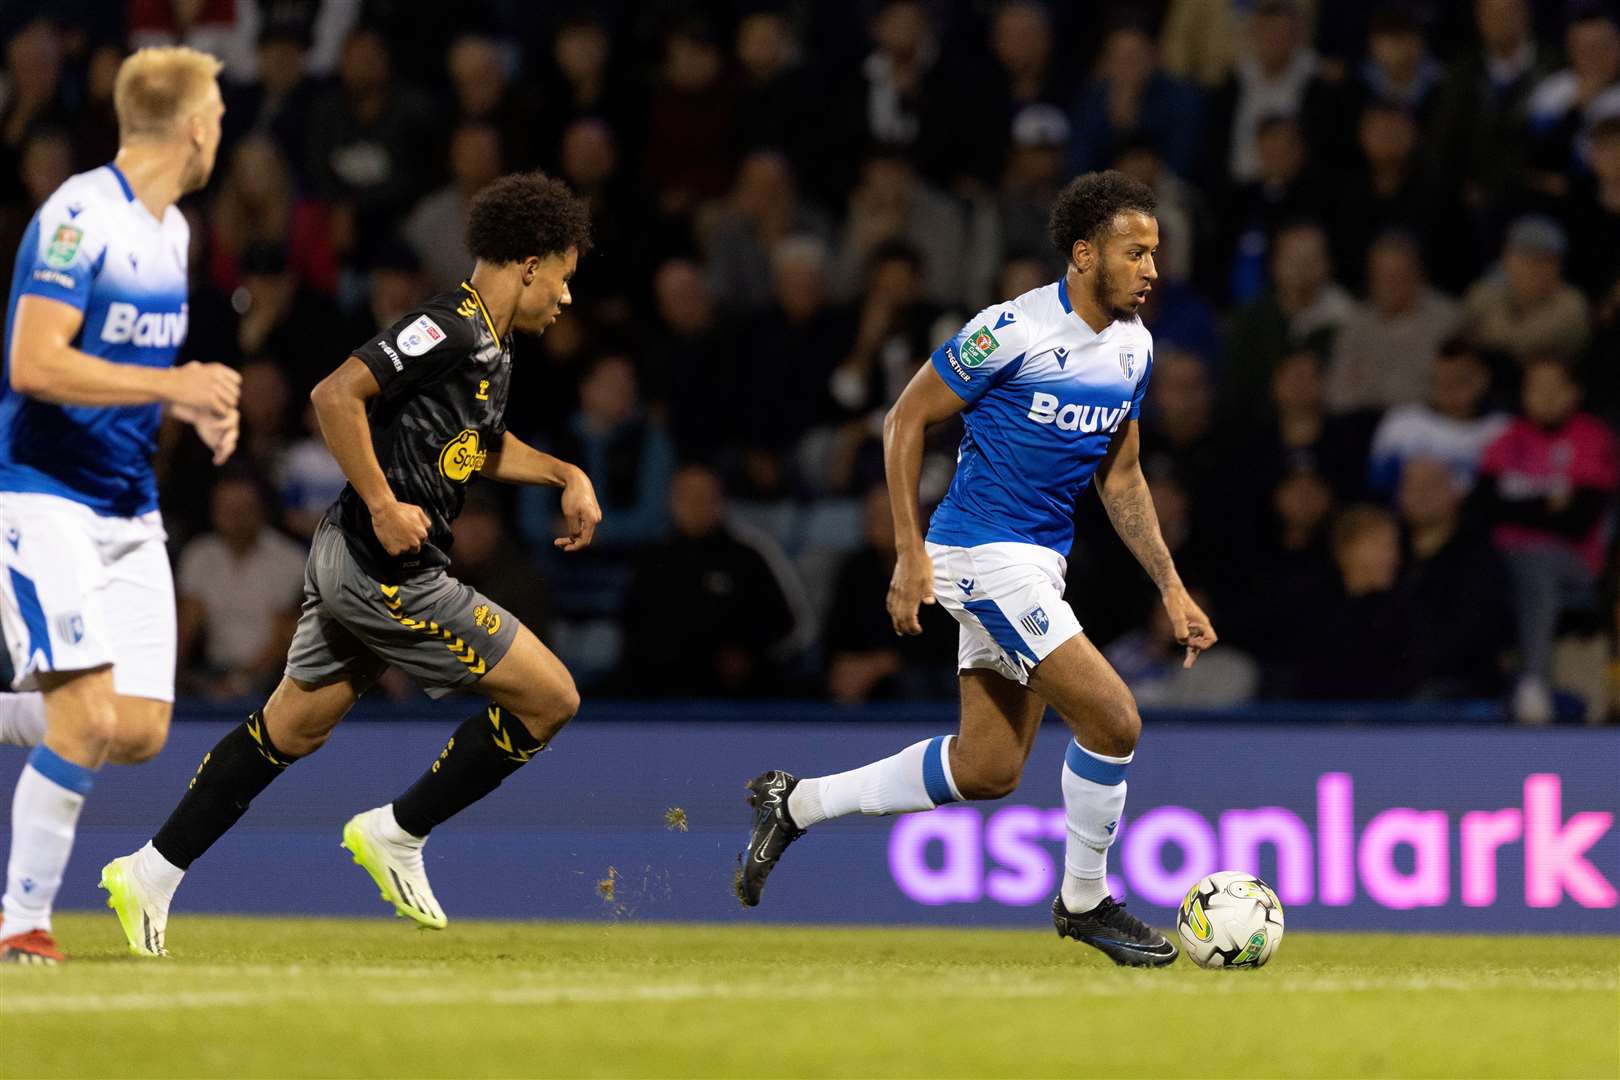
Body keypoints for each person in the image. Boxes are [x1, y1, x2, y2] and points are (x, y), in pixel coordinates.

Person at [99, 172, 603, 956]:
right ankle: (398, 831)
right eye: (566, 278)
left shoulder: (490, 349)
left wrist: (565, 474)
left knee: (291, 728)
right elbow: (335, 394)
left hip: (359, 559)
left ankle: (150, 870)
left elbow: (479, 448)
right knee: (551, 698)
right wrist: (379, 498)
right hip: (385, 566)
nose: (567, 298)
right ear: (532, 263)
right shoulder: (448, 327)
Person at [738, 172, 1217, 967]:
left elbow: (1122, 477)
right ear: (1085, 252)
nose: (1152, 270)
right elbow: (905, 419)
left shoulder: (1135, 346)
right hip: (978, 555)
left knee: (987, 769)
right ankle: (1084, 902)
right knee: (1114, 719)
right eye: (1136, 253)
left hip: (1038, 565)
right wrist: (908, 552)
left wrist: (1170, 587)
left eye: (1155, 254)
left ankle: (797, 803)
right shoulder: (1011, 329)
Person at [0, 47, 239, 965]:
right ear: (194, 126)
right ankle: (22, 923)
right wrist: (173, 381)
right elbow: (34, 362)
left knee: (135, 728)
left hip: (128, 508)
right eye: (215, 113)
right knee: (88, 719)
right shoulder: (77, 215)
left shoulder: (173, 231)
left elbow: (131, 376)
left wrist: (195, 406)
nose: (219, 127)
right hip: (43, 493)